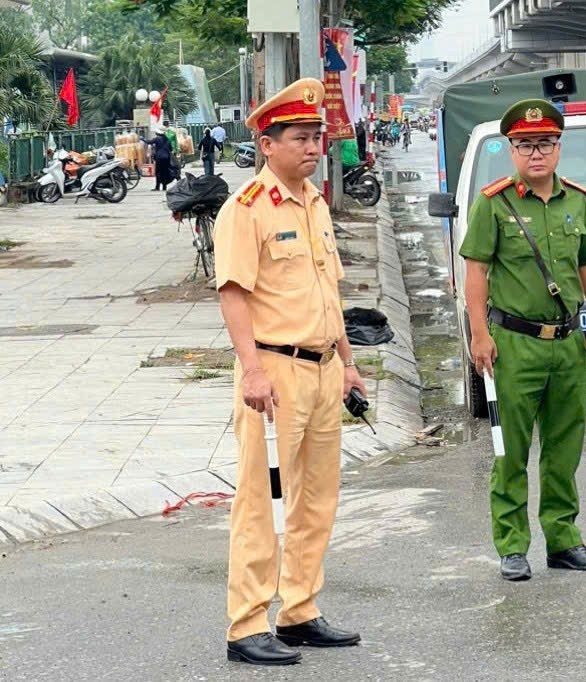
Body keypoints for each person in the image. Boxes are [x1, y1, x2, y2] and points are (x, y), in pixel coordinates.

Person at [214, 77, 365, 666]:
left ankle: (299, 610)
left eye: (316, 138)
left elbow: (330, 295)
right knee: (261, 500)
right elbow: (233, 295)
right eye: (300, 138)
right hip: (275, 375)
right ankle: (246, 624)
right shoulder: (246, 209)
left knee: (316, 499)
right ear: (267, 143)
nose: (312, 148)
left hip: (325, 369)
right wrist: (251, 372)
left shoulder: (316, 204)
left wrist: (350, 366)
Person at [459, 98, 586, 581]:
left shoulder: (578, 201)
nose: (536, 154)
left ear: (559, 147)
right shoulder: (494, 203)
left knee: (565, 447)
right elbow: (476, 272)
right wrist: (479, 334)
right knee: (511, 450)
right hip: (514, 345)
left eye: (545, 143)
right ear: (511, 149)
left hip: (567, 342)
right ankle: (512, 545)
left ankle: (564, 539)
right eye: (525, 145)